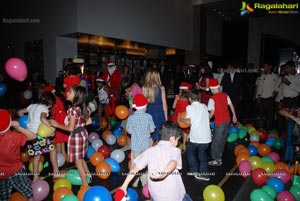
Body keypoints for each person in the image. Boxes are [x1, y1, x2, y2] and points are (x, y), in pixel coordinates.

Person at [115, 121, 192, 201]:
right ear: (172, 139)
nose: (177, 143)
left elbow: (134, 169)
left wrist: (124, 186)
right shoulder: (175, 150)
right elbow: (173, 162)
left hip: (156, 196)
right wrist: (162, 175)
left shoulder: (149, 151)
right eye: (178, 140)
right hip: (174, 196)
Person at [50, 85, 92, 187]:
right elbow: (89, 121)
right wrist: (80, 125)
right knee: (81, 158)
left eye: (70, 92)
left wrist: (57, 124)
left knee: (78, 162)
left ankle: (85, 185)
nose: (67, 92)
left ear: (76, 96)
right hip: (83, 134)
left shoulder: (72, 110)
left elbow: (70, 128)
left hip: (76, 136)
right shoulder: (84, 107)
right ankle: (89, 175)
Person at [17, 92, 61, 182]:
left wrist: (25, 121)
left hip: (30, 134)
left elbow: (19, 112)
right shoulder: (44, 108)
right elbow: (42, 119)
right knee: (53, 150)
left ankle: (35, 177)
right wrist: (51, 129)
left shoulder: (31, 106)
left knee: (37, 156)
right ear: (50, 103)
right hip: (39, 134)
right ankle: (56, 172)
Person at [0, 109, 36, 201]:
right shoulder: (13, 136)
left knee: (3, 197)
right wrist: (19, 127)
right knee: (29, 194)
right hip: (16, 170)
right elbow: (33, 136)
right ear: (9, 123)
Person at [178, 89, 211, 181]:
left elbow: (188, 122)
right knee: (202, 155)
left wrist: (180, 119)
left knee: (190, 151)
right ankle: (205, 174)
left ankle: (194, 170)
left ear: (190, 98)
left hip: (196, 137)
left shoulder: (190, 108)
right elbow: (207, 118)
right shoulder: (204, 106)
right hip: (206, 137)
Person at [126, 93, 156, 187]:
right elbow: (152, 130)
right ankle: (144, 182)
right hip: (145, 146)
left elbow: (129, 131)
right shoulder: (148, 117)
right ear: (145, 106)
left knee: (134, 164)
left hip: (135, 146)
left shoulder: (131, 118)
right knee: (145, 164)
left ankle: (134, 182)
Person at [207, 79, 237, 166]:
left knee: (216, 141)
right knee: (223, 139)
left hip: (219, 122)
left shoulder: (212, 99)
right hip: (227, 120)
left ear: (212, 89)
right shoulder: (225, 95)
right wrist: (234, 115)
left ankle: (217, 160)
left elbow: (212, 112)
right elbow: (231, 105)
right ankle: (219, 154)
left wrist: (207, 119)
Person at [142, 69, 168, 143]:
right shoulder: (161, 88)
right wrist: (166, 117)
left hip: (149, 111)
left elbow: (143, 103)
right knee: (159, 131)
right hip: (159, 112)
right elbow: (164, 104)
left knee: (148, 131)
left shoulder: (144, 88)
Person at [43, 85, 68, 155]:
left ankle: (60, 154)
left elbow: (54, 112)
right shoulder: (57, 98)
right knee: (61, 138)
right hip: (62, 117)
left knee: (58, 138)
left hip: (58, 118)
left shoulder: (54, 100)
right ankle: (63, 153)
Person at [255, 63, 278, 129]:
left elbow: (278, 85)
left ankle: (269, 128)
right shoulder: (262, 76)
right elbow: (260, 87)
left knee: (270, 114)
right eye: (264, 67)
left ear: (270, 67)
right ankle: (261, 128)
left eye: (266, 67)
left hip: (270, 98)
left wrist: (275, 91)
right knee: (261, 114)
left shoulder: (275, 76)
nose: (265, 68)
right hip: (262, 98)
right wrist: (258, 96)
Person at [171, 82, 192, 151]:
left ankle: (175, 144)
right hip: (185, 115)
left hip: (177, 115)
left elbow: (173, 106)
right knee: (185, 130)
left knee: (176, 130)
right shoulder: (189, 98)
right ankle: (183, 145)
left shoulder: (178, 97)